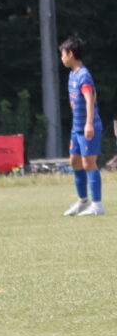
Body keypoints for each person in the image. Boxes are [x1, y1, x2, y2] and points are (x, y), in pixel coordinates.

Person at [61, 36, 104, 215]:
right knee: (75, 162)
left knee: (89, 163)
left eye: (63, 54)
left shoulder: (84, 76)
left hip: (87, 127)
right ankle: (83, 201)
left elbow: (90, 100)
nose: (62, 58)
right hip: (76, 127)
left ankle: (97, 205)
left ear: (71, 54)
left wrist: (89, 124)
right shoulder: (72, 74)